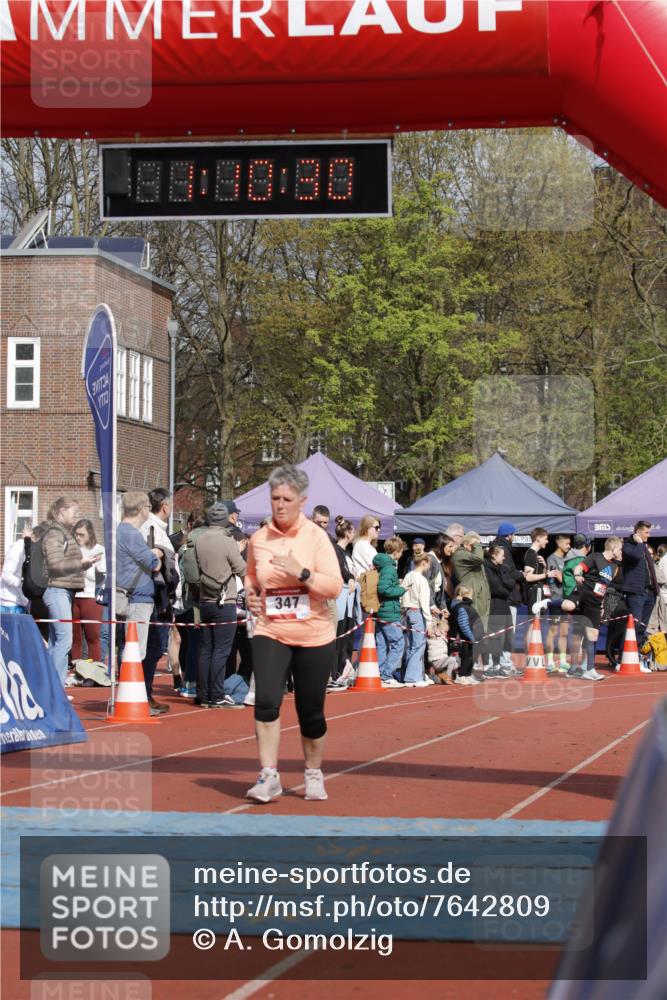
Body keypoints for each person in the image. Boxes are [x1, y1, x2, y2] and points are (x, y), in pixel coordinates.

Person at [244, 465, 342, 803]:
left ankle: (313, 772)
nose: (280, 505)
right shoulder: (259, 539)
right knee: (267, 701)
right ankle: (268, 775)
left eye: (287, 499)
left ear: (302, 501)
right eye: (275, 498)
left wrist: (300, 573)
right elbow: (252, 578)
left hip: (314, 634)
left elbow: (334, 586)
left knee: (310, 711)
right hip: (271, 629)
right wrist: (251, 593)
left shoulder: (316, 538)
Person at [41, 496, 101, 687]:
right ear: (60, 512)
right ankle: (55, 687)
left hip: (62, 591)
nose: (77, 514)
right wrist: (81, 563)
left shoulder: (61, 533)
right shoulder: (55, 534)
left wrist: (83, 565)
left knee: (57, 641)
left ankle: (50, 686)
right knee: (65, 640)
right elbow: (55, 565)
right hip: (57, 591)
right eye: (73, 510)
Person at [195, 502, 247, 707]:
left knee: (206, 649)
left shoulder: (200, 539)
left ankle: (202, 693)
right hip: (224, 601)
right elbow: (241, 568)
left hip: (205, 600)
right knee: (221, 651)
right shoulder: (227, 541)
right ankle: (217, 695)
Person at [117, 491, 164, 714]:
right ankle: (133, 701)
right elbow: (152, 563)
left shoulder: (123, 532)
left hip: (135, 596)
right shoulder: (129, 533)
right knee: (136, 651)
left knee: (133, 649)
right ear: (143, 508)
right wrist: (155, 553)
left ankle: (133, 699)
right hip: (137, 598)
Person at [139, 488, 176, 710]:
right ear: (165, 506)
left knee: (152, 646)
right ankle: (145, 693)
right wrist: (163, 553)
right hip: (155, 595)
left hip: (157, 595)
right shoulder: (152, 529)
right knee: (152, 646)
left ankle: (146, 692)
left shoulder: (156, 529)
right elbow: (153, 561)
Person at [574, 536, 624, 681]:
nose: (621, 551)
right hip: (585, 596)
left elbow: (604, 587)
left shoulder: (614, 566)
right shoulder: (595, 557)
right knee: (588, 634)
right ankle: (586, 668)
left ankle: (586, 667)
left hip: (596, 602)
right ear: (613, 548)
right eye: (619, 548)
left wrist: (601, 603)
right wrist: (577, 574)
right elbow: (579, 567)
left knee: (591, 635)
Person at [71, 518, 106, 663]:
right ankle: (77, 669)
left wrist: (92, 565)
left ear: (90, 534)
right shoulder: (74, 550)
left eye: (81, 534)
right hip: (74, 596)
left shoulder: (99, 549)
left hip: (91, 597)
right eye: (76, 534)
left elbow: (103, 573)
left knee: (92, 636)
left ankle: (95, 669)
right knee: (75, 637)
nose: (78, 537)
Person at [373, 536, 407, 688]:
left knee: (381, 644)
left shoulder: (383, 566)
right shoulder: (389, 568)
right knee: (398, 643)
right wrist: (401, 589)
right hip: (389, 612)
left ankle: (379, 674)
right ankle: (386, 674)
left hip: (382, 611)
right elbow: (384, 589)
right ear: (397, 551)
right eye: (401, 551)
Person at [490, 522, 524, 669]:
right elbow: (509, 572)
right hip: (507, 598)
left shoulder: (497, 547)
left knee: (500, 632)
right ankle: (504, 664)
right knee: (507, 632)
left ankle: (499, 663)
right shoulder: (504, 550)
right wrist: (521, 575)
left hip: (502, 598)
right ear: (510, 535)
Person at [622, 521, 658, 653]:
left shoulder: (643, 547)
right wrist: (640, 543)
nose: (649, 535)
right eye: (646, 532)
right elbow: (636, 556)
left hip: (649, 592)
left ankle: (638, 656)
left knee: (642, 627)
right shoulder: (628, 546)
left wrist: (655, 590)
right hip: (636, 592)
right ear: (638, 532)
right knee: (634, 625)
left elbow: (650, 569)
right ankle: (623, 655)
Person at [331, 516, 358, 686]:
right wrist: (350, 577)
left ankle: (342, 670)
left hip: (348, 603)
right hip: (340, 601)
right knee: (338, 638)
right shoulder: (336, 550)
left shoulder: (347, 553)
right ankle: (334, 673)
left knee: (346, 639)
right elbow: (341, 571)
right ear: (348, 533)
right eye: (353, 531)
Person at [400, 553, 433, 686]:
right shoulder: (422, 580)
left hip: (406, 612)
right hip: (417, 612)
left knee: (409, 645)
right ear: (424, 563)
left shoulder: (408, 575)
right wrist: (429, 621)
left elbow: (401, 593)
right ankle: (413, 677)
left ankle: (410, 674)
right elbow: (424, 602)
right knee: (418, 645)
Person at [484, 543, 515, 676]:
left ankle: (500, 665)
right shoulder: (486, 568)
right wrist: (505, 588)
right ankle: (490, 666)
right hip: (494, 606)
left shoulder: (503, 568)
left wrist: (505, 586)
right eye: (502, 556)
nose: (504, 558)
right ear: (494, 555)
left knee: (505, 637)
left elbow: (511, 583)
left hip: (504, 605)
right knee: (494, 636)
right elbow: (496, 588)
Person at [544, 534, 573, 675]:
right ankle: (549, 661)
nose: (569, 546)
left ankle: (563, 661)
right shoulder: (552, 559)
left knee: (564, 631)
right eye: (567, 543)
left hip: (567, 600)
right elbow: (561, 580)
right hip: (556, 600)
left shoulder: (568, 559)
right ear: (559, 544)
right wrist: (564, 578)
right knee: (553, 631)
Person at [451, 530, 490, 627]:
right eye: (475, 545)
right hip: (471, 601)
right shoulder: (459, 554)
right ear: (466, 544)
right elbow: (478, 558)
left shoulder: (470, 557)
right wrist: (476, 544)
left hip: (478, 600)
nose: (477, 547)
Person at [449, 584, 484, 686]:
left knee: (472, 656)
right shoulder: (461, 607)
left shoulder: (466, 606)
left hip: (473, 637)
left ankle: (468, 675)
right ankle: (461, 676)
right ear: (466, 595)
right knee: (467, 657)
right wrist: (471, 637)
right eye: (471, 595)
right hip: (467, 639)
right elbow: (463, 624)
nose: (472, 597)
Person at [0, 527, 30, 614]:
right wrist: (23, 585)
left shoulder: (30, 550)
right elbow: (6, 574)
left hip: (20, 603)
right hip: (10, 604)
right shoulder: (18, 548)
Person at [427, 616, 458, 684]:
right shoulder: (434, 635)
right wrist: (434, 617)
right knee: (452, 660)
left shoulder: (443, 638)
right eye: (445, 632)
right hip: (436, 661)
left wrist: (443, 617)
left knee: (455, 664)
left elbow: (442, 623)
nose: (446, 633)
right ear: (439, 630)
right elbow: (433, 626)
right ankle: (447, 677)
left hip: (442, 660)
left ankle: (437, 677)